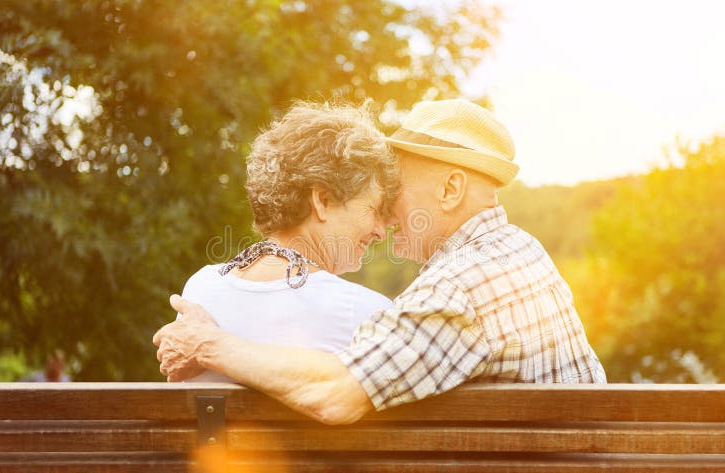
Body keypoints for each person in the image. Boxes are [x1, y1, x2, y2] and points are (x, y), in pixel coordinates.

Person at [154, 99, 606, 424]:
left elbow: (334, 395)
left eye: (395, 191)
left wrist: (207, 344)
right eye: (377, 201)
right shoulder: (517, 252)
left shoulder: (460, 285)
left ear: (450, 190)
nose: (387, 216)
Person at [174, 101, 399, 382]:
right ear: (323, 200)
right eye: (374, 210)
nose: (380, 230)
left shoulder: (200, 290)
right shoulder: (365, 314)